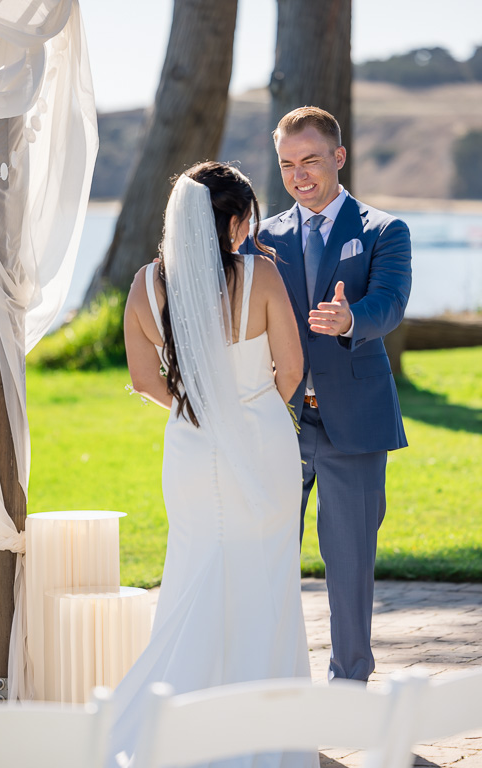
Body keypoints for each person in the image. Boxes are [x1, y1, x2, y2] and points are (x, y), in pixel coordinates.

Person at [111, 161, 317, 768]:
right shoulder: (261, 275)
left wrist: (200, 411)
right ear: (232, 221)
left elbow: (144, 380)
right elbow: (292, 369)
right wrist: (246, 412)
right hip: (262, 443)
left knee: (195, 571)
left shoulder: (146, 286)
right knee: (267, 579)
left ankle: (178, 724)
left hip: (192, 449)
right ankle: (266, 730)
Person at [241, 106, 412, 683]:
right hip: (279, 422)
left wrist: (349, 320)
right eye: (287, 164)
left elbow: (388, 304)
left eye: (310, 160)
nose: (299, 175)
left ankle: (350, 687)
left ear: (338, 157)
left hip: (355, 425)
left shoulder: (384, 230)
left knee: (349, 566)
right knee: (268, 559)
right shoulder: (263, 237)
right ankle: (274, 679)